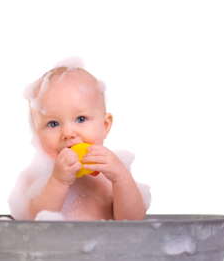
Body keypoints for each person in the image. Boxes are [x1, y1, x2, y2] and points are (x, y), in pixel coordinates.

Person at [8, 60, 150, 221]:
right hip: (54, 247)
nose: (68, 133)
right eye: (53, 123)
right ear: (37, 134)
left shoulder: (111, 175)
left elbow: (134, 222)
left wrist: (121, 178)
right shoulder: (36, 178)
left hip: (108, 245)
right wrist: (58, 181)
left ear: (105, 125)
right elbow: (34, 224)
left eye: (81, 119)